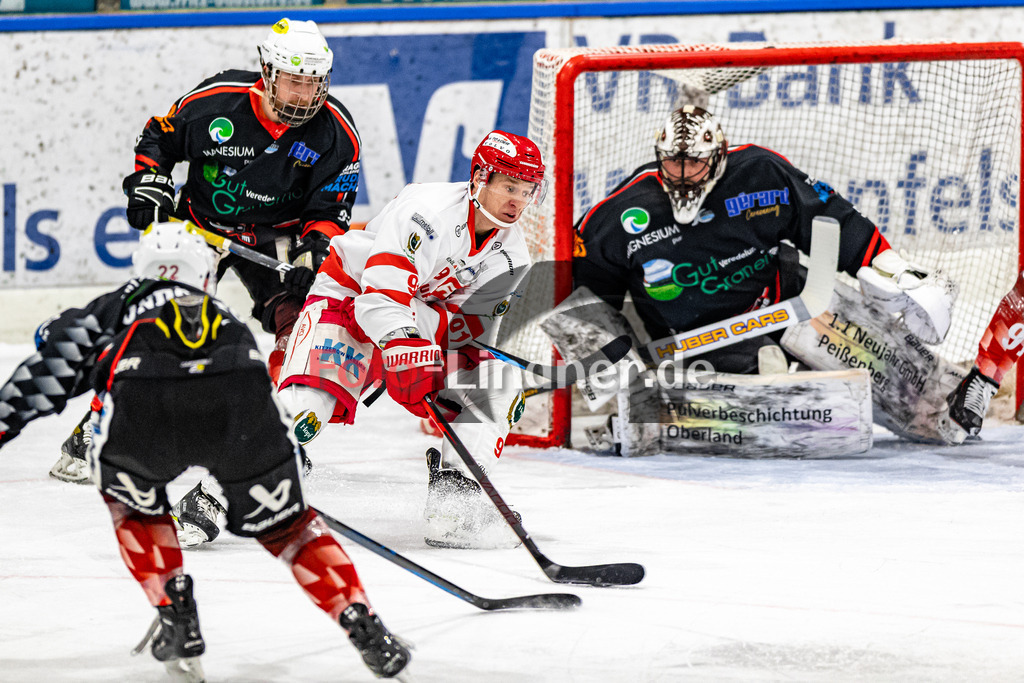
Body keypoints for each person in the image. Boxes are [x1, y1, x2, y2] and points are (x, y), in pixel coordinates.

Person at [0, 222, 410, 680]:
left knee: (137, 508)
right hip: (240, 405)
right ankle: (360, 619)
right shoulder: (227, 319)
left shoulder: (121, 303)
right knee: (291, 529)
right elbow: (263, 388)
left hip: (145, 412)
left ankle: (176, 610)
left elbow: (44, 374)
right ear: (205, 275)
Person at [51, 17, 362, 484]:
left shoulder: (335, 133)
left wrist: (313, 252)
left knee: (303, 325)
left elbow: (330, 207)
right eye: (294, 81)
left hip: (275, 236)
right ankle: (98, 428)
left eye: (313, 83)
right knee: (161, 322)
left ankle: (277, 431)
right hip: (201, 226)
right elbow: (159, 136)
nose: (304, 95)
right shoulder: (216, 102)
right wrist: (149, 181)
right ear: (268, 71)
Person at [271, 129, 544, 550]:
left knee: (501, 385)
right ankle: (217, 495)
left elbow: (467, 333)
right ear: (480, 178)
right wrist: (405, 347)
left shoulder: (513, 255)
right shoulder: (427, 212)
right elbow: (380, 297)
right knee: (307, 410)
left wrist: (435, 358)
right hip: (349, 299)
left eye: (527, 192)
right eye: (510, 187)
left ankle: (454, 505)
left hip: (417, 319)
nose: (518, 202)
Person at [572, 104, 953, 374]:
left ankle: (957, 394)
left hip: (789, 301)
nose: (684, 175)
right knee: (775, 379)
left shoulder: (760, 172)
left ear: (719, 156)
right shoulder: (618, 215)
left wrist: (889, 266)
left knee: (892, 363)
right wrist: (604, 353)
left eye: (696, 163)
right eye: (674, 162)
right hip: (701, 338)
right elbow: (588, 295)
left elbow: (827, 215)